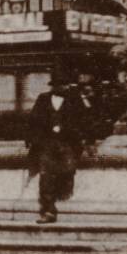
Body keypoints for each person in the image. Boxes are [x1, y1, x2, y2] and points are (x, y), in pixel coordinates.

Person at [27, 72, 91, 223]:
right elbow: (33, 119)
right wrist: (32, 139)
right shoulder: (43, 99)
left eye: (64, 85)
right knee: (45, 175)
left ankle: (62, 196)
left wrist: (82, 137)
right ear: (52, 87)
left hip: (67, 142)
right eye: (57, 86)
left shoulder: (74, 99)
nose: (61, 88)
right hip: (47, 143)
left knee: (68, 170)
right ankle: (48, 210)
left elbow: (83, 119)